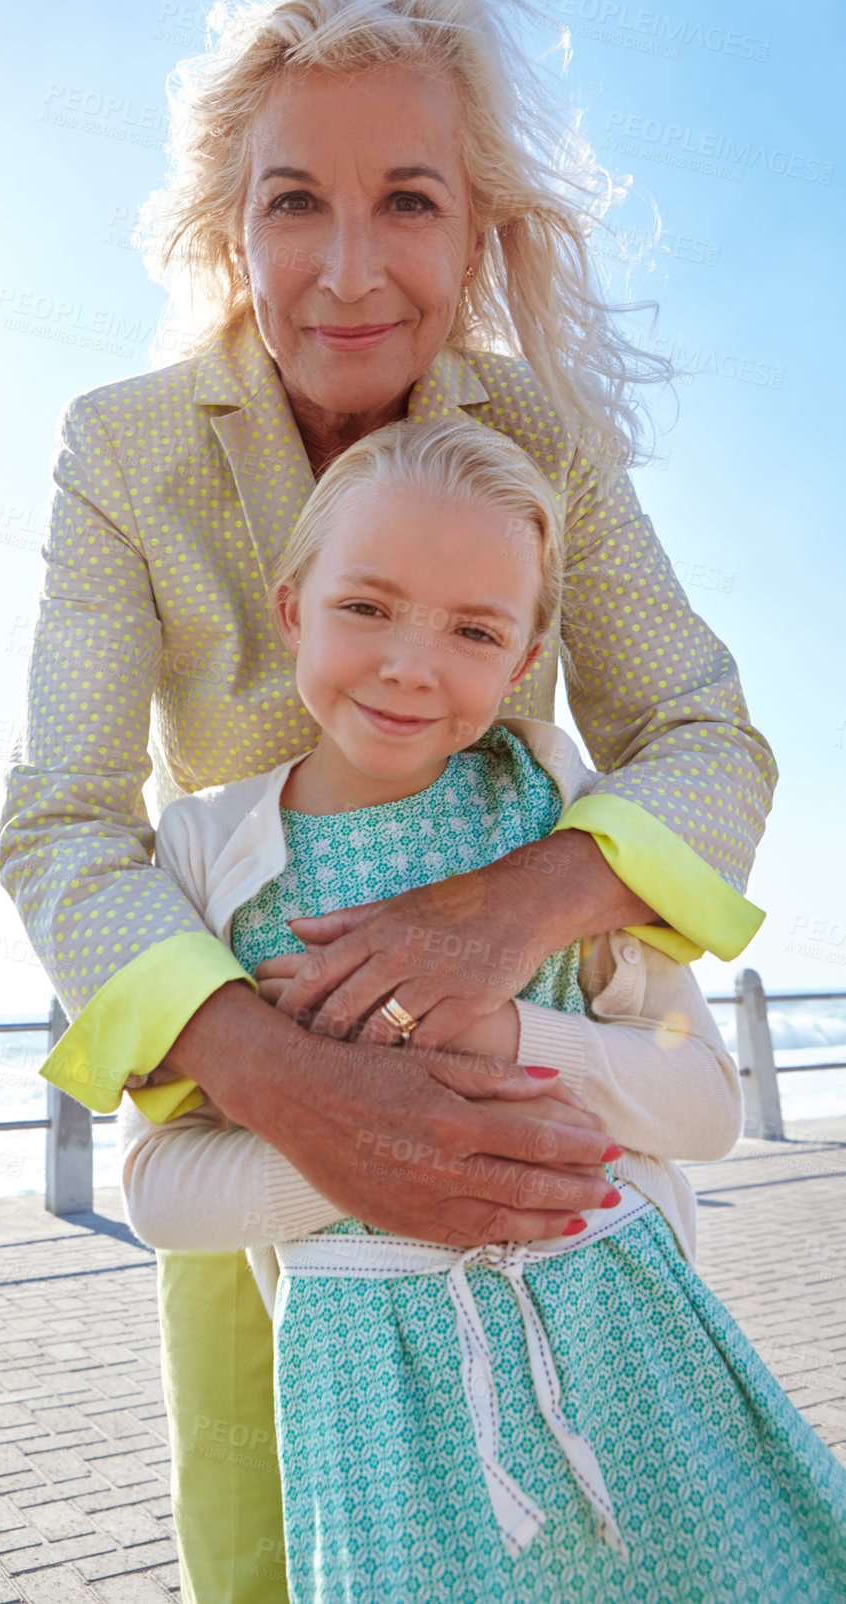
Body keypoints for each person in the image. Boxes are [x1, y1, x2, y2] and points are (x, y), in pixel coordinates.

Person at [0, 0, 777, 1602]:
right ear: (232, 222)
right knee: (276, 1551)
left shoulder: (543, 433)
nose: (347, 270)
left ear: (477, 226)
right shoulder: (121, 448)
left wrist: (512, 912)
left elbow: (702, 736)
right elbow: (63, 820)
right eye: (295, 204)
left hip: (552, 1185)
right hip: (256, 1137)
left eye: (406, 201)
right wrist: (286, 1083)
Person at [120, 418, 846, 1602]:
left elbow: (705, 1106)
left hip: (629, 1345)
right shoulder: (204, 849)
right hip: (372, 1400)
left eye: (472, 629)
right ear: (292, 607)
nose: (412, 663)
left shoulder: (564, 803)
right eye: (366, 607)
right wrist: (373, 1136)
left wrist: (508, 1037)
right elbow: (155, 1188)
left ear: (521, 660)